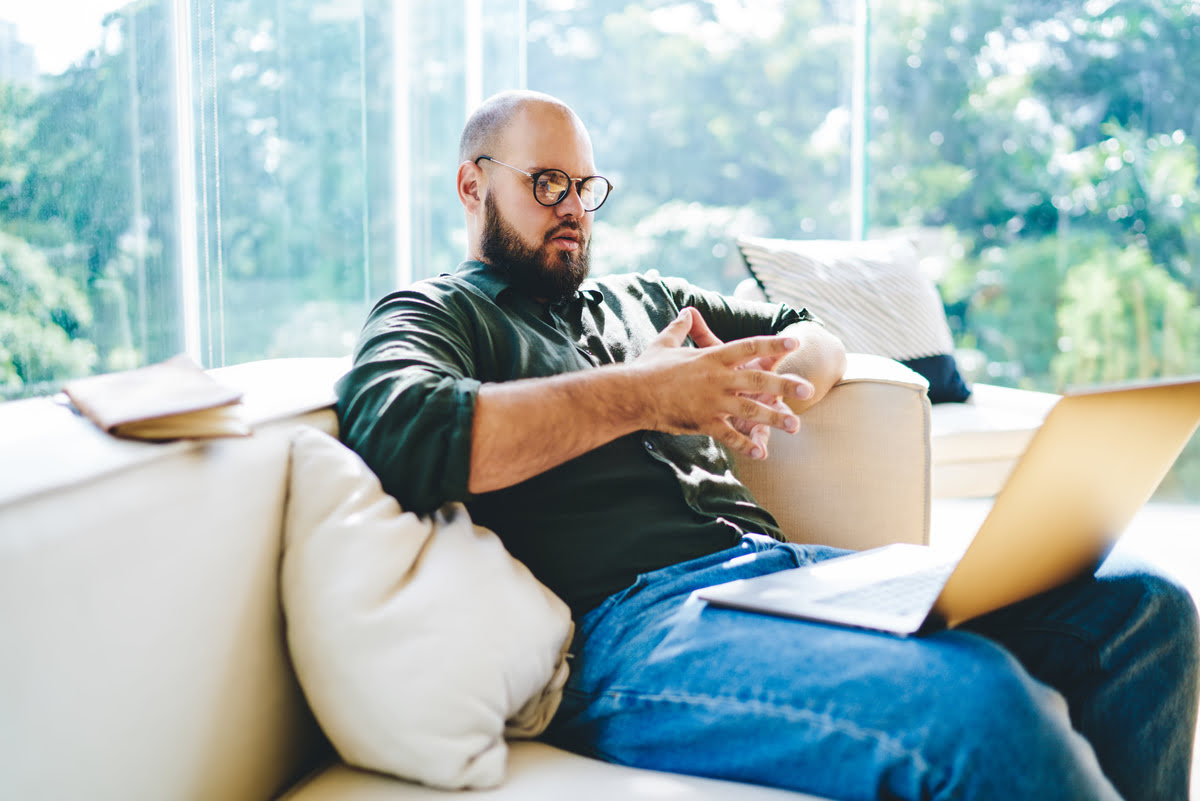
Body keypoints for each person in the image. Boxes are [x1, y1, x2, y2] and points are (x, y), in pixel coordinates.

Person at [335, 89, 1199, 801]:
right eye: (547, 183)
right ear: (470, 185)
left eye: (587, 188)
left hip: (788, 575)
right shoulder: (438, 313)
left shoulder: (643, 296)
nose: (572, 212)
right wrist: (646, 395)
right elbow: (399, 426)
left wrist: (769, 378)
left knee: (1142, 610)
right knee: (984, 707)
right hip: (634, 627)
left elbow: (813, 329)